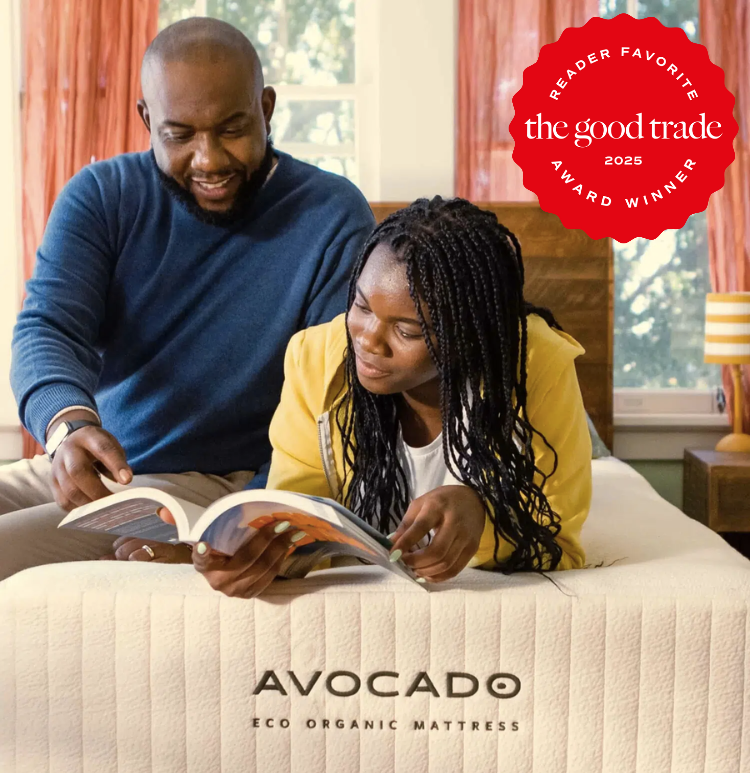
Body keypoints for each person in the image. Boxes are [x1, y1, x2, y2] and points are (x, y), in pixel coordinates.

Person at [0, 16, 373, 582]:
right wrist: (68, 427)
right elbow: (48, 328)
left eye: (231, 128)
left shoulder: (332, 215)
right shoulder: (101, 197)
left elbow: (334, 404)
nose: (209, 160)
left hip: (214, 484)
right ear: (147, 120)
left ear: (266, 109)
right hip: (99, 463)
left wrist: (246, 519)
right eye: (180, 135)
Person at [120, 197, 592, 596]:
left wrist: (482, 514)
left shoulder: (537, 363)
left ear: (468, 335)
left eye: (406, 330)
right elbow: (296, 507)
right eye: (361, 307)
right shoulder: (315, 358)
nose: (368, 340)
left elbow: (559, 536)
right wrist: (253, 550)